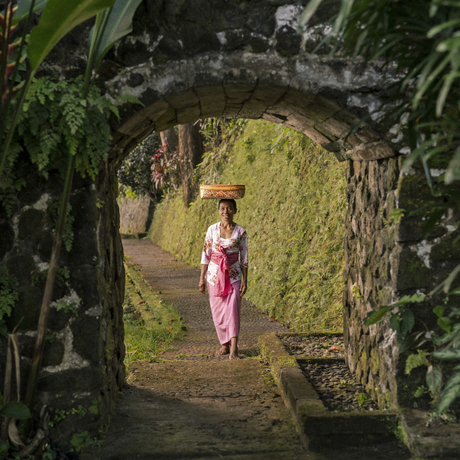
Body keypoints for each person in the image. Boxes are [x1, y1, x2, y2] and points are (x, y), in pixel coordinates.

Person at [199, 199, 248, 360]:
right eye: (222, 208)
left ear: (235, 210)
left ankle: (234, 349)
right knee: (218, 313)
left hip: (233, 275)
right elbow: (206, 254)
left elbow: (244, 258)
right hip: (214, 276)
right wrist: (202, 279)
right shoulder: (212, 230)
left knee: (233, 309)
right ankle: (224, 344)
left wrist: (245, 281)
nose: (225, 211)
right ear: (218, 210)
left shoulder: (240, 232)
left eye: (229, 208)